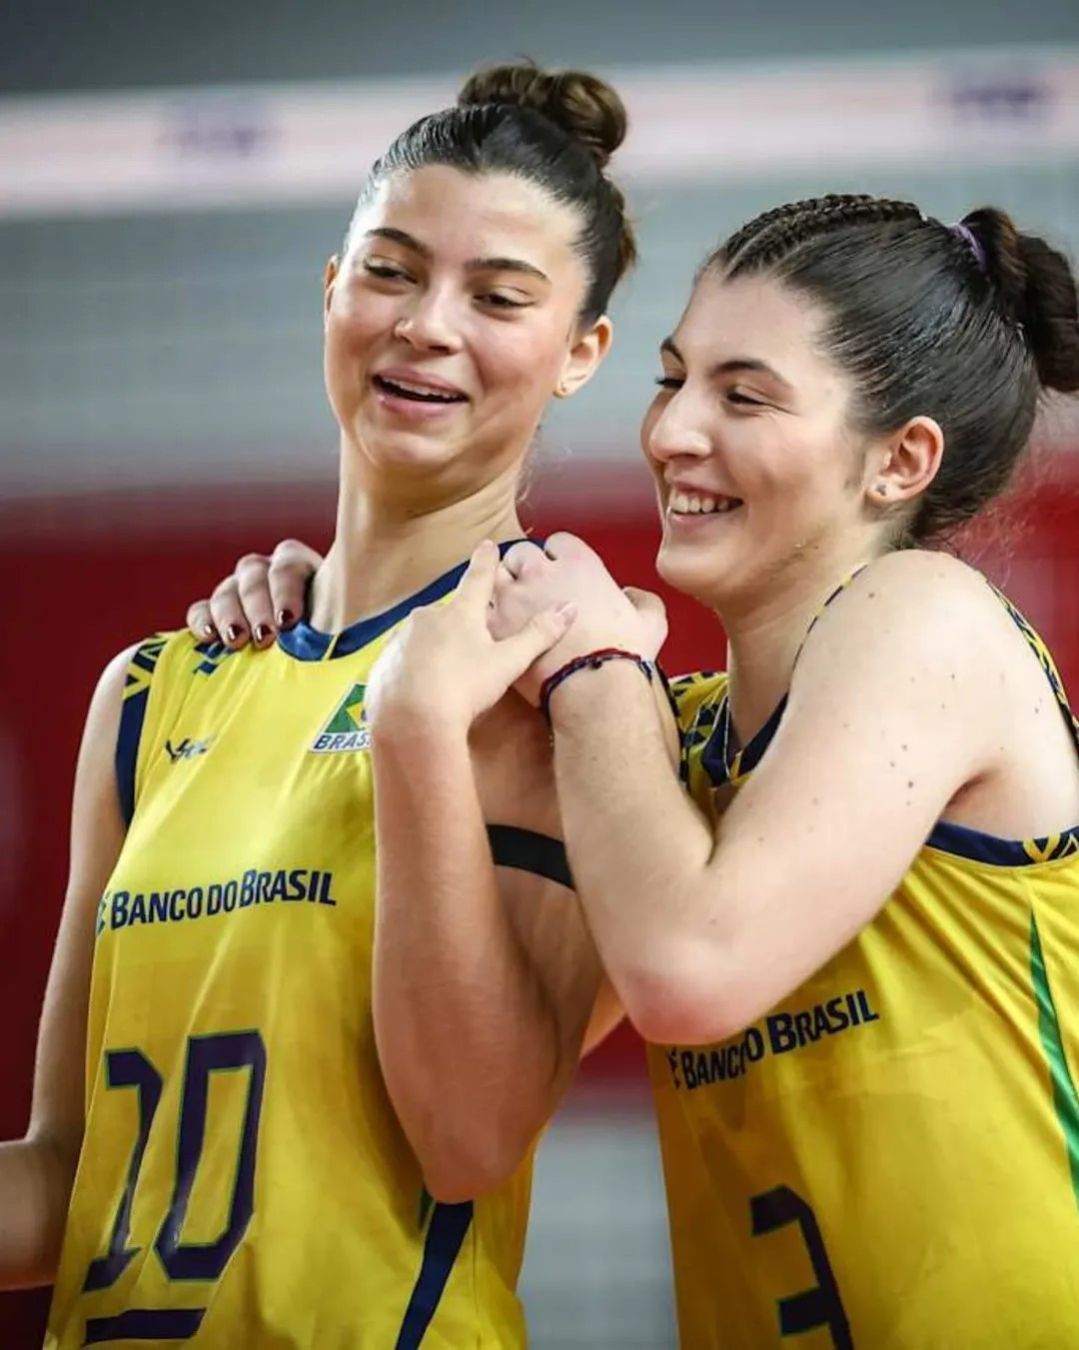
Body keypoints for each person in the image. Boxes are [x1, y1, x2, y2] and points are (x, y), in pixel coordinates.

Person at [218, 195, 1079, 1346]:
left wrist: (595, 670)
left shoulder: (923, 611)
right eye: (672, 380)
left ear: (897, 461)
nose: (672, 431)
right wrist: (326, 625)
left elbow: (689, 968)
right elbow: (483, 1086)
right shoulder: (674, 742)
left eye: (743, 396)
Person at [0, 62, 643, 1348]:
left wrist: (413, 723)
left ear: (579, 354)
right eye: (390, 272)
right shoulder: (153, 692)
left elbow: (466, 1143)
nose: (426, 326)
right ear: (332, 288)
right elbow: (64, 1179)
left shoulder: (565, 688)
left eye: (497, 297)